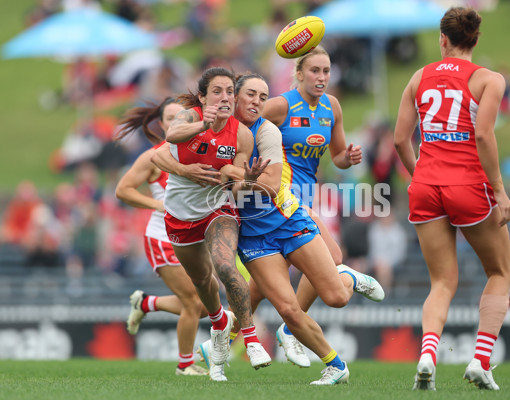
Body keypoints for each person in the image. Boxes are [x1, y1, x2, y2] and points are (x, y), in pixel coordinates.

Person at [153, 72, 359, 384]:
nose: (256, 102)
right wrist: (197, 170)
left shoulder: (262, 134)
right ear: (232, 98)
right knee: (287, 309)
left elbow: (270, 186)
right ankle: (336, 366)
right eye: (250, 94)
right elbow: (165, 150)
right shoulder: (198, 119)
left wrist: (239, 175)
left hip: (284, 220)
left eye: (263, 97)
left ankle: (344, 277)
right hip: (250, 232)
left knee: (336, 298)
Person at [393, 7, 510, 391]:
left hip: (425, 186)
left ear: (442, 39)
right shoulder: (488, 80)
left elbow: (399, 140)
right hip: (467, 186)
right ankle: (480, 361)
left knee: (441, 282)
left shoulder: (418, 76)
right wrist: (499, 189)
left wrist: (421, 177)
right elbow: (483, 136)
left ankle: (428, 355)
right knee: (499, 272)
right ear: (475, 39)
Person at [261, 46, 385, 367]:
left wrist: (350, 158)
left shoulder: (332, 107)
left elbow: (339, 157)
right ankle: (292, 329)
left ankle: (219, 339)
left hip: (306, 197)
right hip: (283, 196)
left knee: (261, 284)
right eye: (315, 71)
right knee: (333, 257)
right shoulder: (279, 105)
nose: (322, 77)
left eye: (326, 71)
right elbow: (243, 131)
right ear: (299, 73)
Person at [158, 67, 271, 381]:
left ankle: (250, 338)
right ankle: (220, 323)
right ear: (203, 96)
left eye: (230, 92)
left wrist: (247, 180)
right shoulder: (188, 117)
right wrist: (203, 125)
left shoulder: (242, 135)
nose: (225, 97)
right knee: (202, 282)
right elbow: (171, 137)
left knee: (224, 265)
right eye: (217, 91)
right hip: (180, 217)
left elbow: (235, 189)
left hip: (218, 209)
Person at [114, 97, 210, 376]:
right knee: (193, 301)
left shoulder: (201, 151)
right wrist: (158, 205)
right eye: (170, 118)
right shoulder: (154, 155)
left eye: (182, 116)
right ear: (163, 125)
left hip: (194, 239)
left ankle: (146, 303)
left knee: (204, 304)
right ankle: (185, 365)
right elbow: (123, 190)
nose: (176, 122)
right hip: (162, 237)